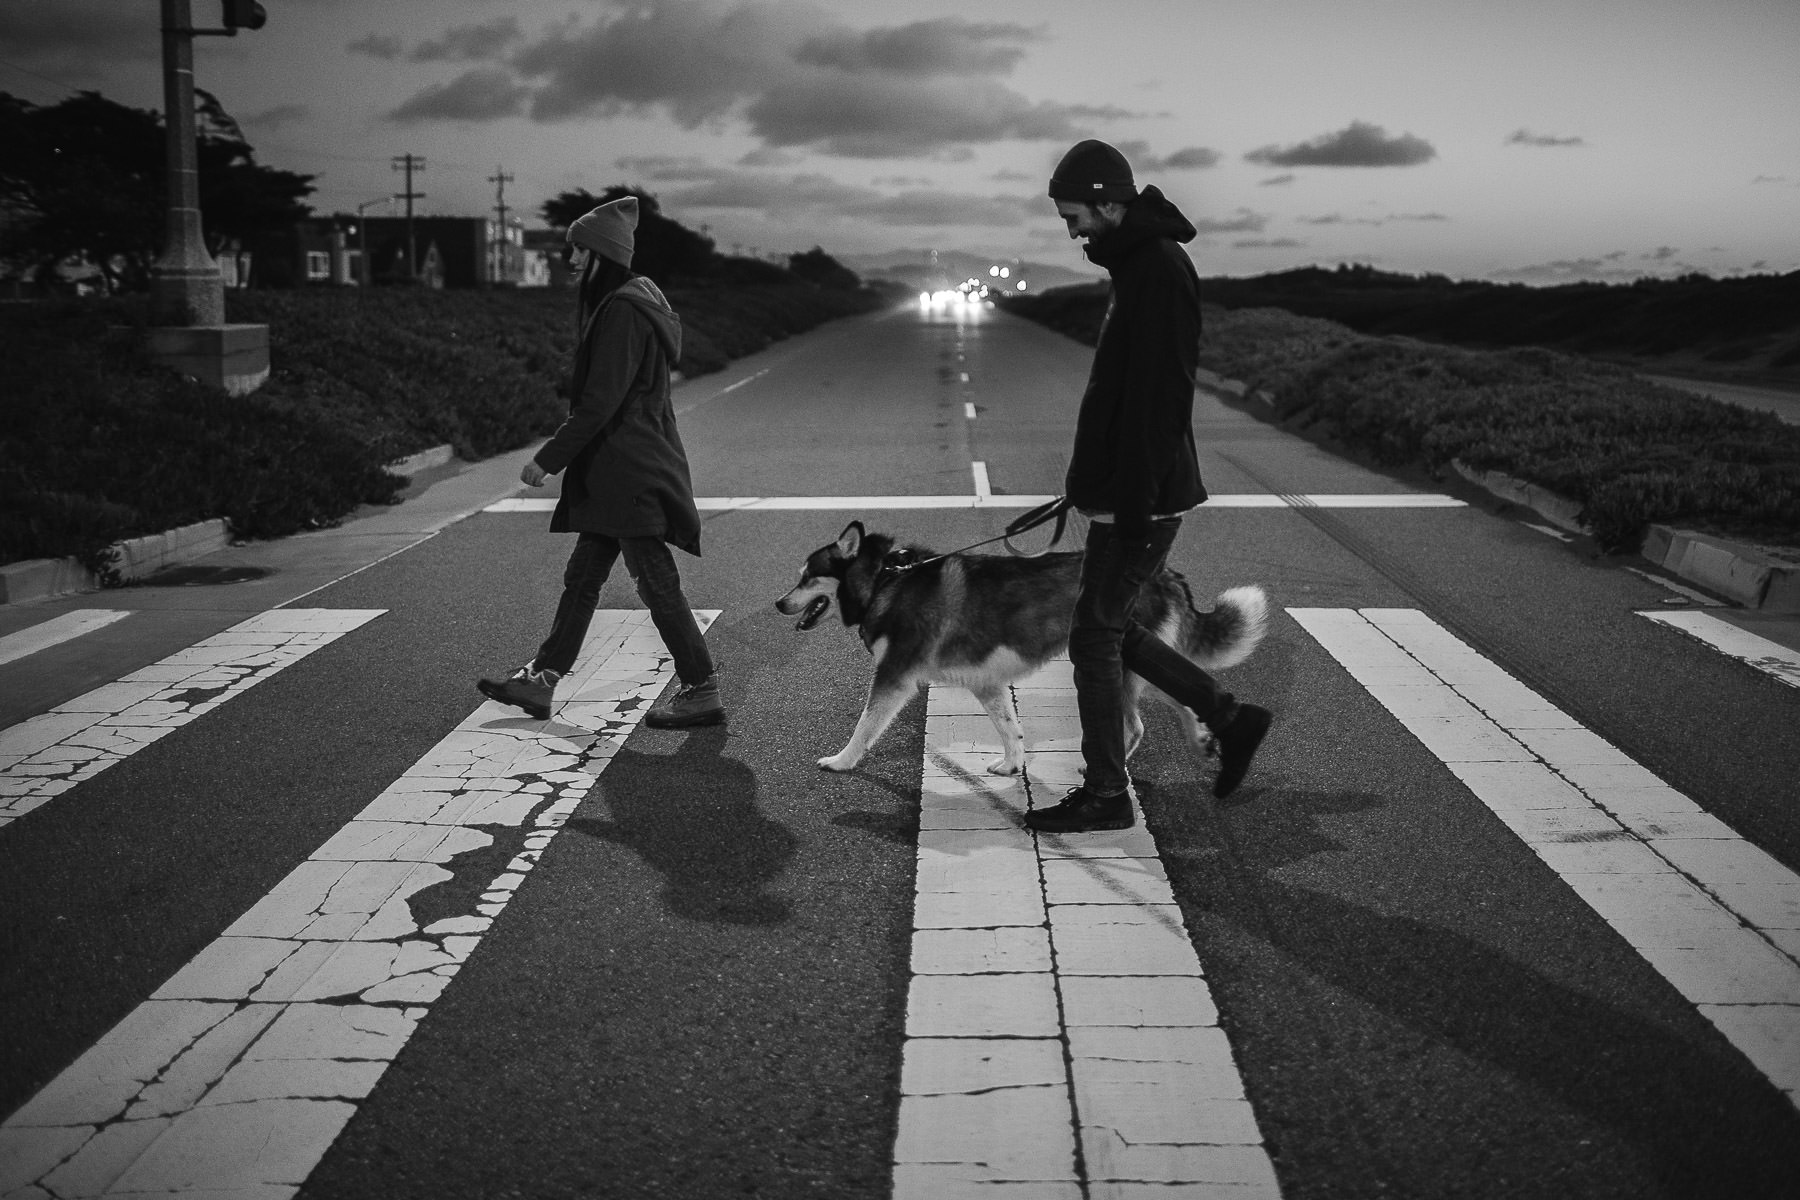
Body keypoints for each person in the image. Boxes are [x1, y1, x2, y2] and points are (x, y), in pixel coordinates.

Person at [1025, 140, 1272, 834]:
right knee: (1110, 627)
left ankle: (1106, 792)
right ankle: (1228, 716)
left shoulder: (1159, 269)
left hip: (1144, 495)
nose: (1071, 230)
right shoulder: (1136, 265)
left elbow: (1160, 399)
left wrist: (1131, 501)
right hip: (1126, 490)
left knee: (1094, 636)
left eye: (1075, 215)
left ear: (1109, 200)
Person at [477, 195, 723, 729]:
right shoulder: (627, 306)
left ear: (600, 256)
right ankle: (542, 681)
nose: (569, 261)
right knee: (583, 576)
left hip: (627, 469)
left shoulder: (622, 313)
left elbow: (601, 401)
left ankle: (701, 687)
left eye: (577, 251)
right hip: (618, 469)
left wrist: (549, 458)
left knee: (655, 582)